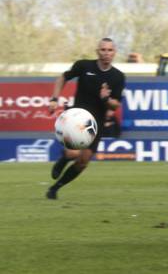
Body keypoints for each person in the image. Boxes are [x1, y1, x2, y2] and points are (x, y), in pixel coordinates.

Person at [46, 38, 126, 199]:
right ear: (97, 51)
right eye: (103, 50)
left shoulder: (118, 76)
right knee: (72, 154)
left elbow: (115, 105)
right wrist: (54, 99)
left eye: (110, 50)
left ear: (114, 53)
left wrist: (106, 99)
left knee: (83, 161)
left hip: (96, 123)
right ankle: (63, 159)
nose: (106, 53)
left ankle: (55, 188)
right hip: (76, 117)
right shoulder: (84, 66)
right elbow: (62, 78)